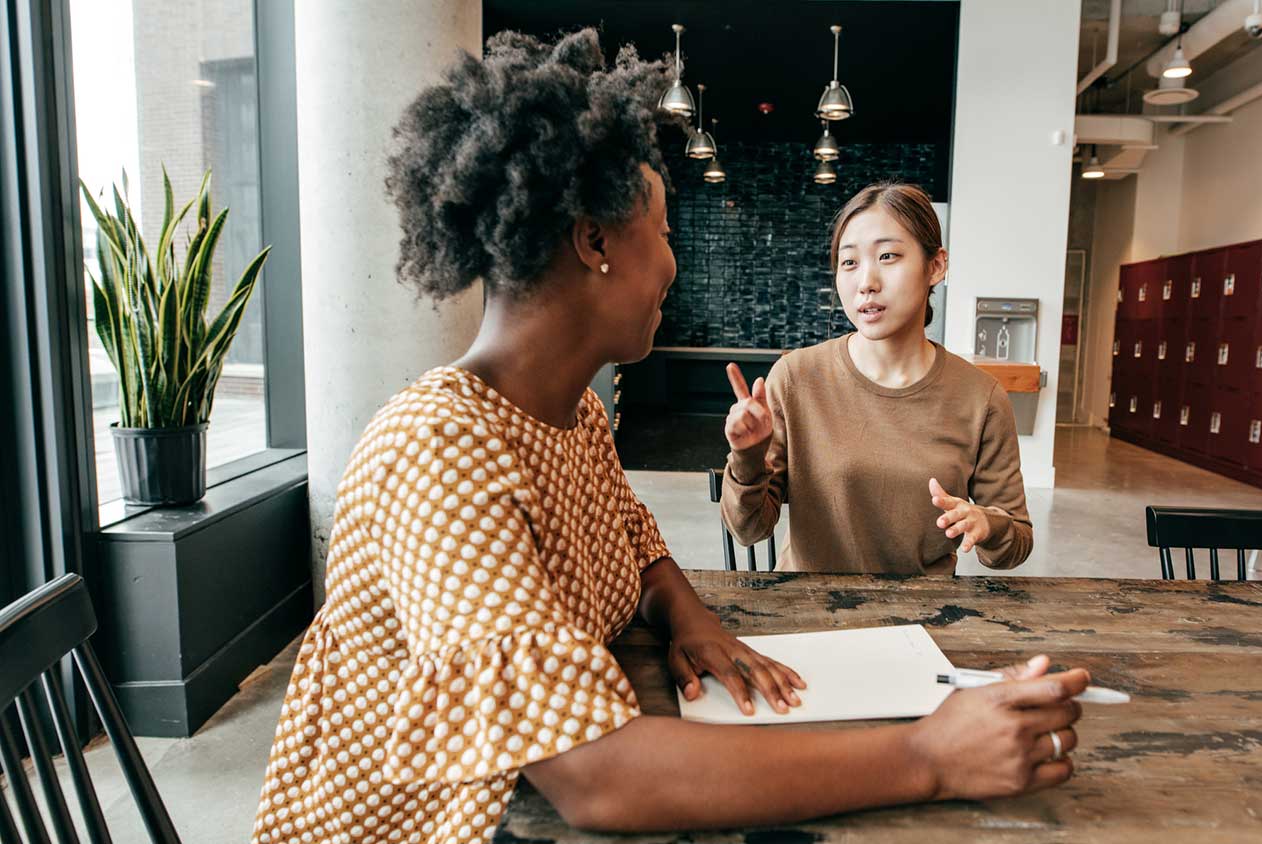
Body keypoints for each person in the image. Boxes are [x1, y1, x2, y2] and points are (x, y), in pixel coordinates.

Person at [250, 31, 1088, 844]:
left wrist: (692, 618)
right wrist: (928, 755)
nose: (675, 265)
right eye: (666, 233)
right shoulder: (436, 447)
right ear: (595, 242)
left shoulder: (568, 409)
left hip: (510, 800)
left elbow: (634, 540)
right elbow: (598, 778)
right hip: (424, 824)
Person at [719, 182, 1033, 575]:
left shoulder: (980, 397)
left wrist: (988, 524)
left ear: (935, 266)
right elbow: (748, 530)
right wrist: (747, 457)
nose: (866, 281)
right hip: (811, 614)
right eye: (849, 262)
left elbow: (1015, 541)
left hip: (923, 618)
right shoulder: (796, 378)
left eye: (888, 256)